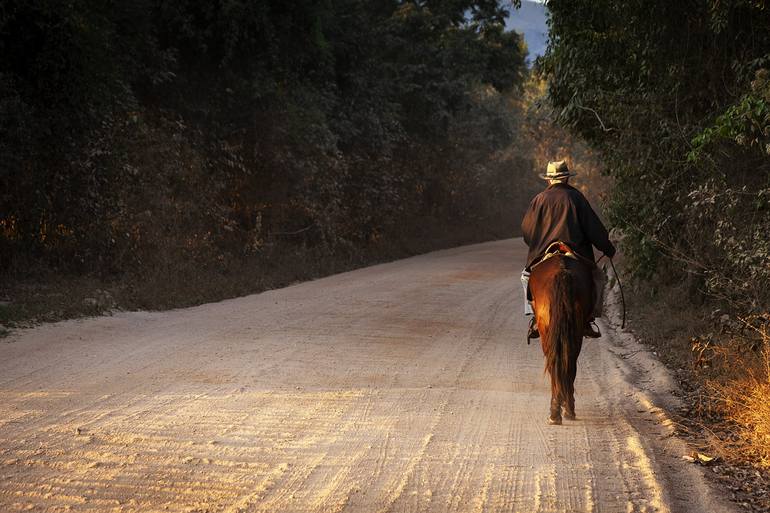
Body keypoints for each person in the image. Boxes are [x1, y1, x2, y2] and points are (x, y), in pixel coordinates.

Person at [520, 160, 616, 339]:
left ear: (549, 180)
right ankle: (589, 319)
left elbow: (526, 232)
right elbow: (594, 229)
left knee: (526, 277)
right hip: (576, 253)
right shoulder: (576, 198)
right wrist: (608, 248)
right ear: (566, 179)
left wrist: (537, 243)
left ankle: (535, 317)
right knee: (598, 277)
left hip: (544, 253)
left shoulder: (538, 200)